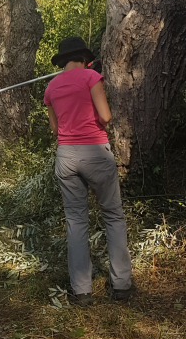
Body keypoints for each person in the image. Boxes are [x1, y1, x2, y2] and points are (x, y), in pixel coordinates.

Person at [44, 37, 131, 306]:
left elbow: (55, 130)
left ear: (62, 61)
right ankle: (121, 286)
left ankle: (81, 291)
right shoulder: (91, 77)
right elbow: (105, 116)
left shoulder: (50, 87)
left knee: (76, 221)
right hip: (94, 151)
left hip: (66, 156)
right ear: (84, 58)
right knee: (113, 216)